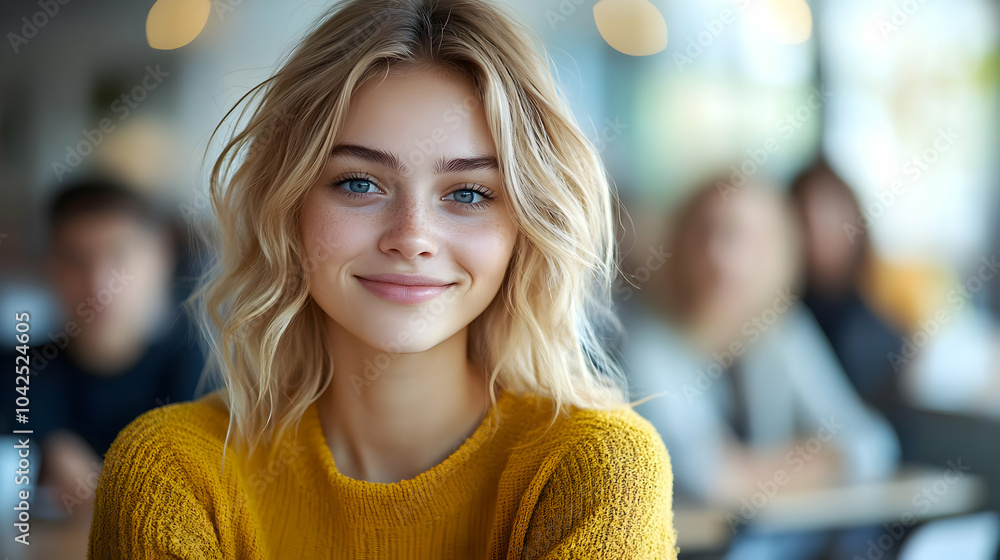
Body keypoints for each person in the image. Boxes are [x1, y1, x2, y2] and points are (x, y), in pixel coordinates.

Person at [88, 0, 678, 558]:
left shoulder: (595, 468)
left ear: (525, 226)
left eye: (469, 193)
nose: (411, 235)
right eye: (359, 183)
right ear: (287, 206)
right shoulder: (173, 472)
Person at [619, 179, 899, 559]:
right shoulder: (648, 345)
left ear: (778, 251)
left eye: (744, 238)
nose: (723, 256)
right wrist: (814, 460)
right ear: (679, 244)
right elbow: (704, 477)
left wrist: (753, 472)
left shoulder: (783, 334)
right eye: (707, 234)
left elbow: (872, 445)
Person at [3, 178, 205, 519]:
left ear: (162, 258)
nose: (97, 282)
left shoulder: (208, 378)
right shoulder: (15, 375)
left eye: (118, 255)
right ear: (48, 267)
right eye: (75, 259)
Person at [789, 159, 906, 411]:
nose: (818, 235)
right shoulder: (777, 326)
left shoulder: (879, 337)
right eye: (806, 221)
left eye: (829, 219)